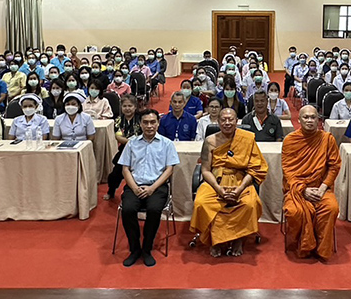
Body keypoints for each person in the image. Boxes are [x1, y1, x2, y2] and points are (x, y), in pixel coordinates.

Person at [191, 108, 268, 258]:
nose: (227, 123)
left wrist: (240, 189)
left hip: (240, 181)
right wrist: (218, 189)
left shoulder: (246, 139)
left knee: (250, 204)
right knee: (201, 203)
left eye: (230, 119)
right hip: (216, 181)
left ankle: (239, 239)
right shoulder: (210, 141)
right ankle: (215, 240)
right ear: (218, 122)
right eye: (223, 120)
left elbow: (254, 169)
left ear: (236, 121)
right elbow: (205, 170)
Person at [117, 109, 180, 267]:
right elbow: (125, 169)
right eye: (145, 122)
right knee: (128, 209)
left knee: (154, 210)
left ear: (158, 123)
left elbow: (169, 170)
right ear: (140, 124)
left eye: (153, 122)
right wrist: (134, 188)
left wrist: (152, 188)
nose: (149, 126)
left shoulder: (167, 144)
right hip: (135, 185)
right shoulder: (132, 143)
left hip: (157, 186)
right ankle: (134, 249)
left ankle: (147, 248)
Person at [281, 105, 341, 261]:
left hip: (321, 187)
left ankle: (322, 248)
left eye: (313, 117)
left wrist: (322, 188)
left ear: (318, 120)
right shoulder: (290, 140)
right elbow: (288, 171)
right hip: (297, 189)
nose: (309, 120)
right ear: (299, 120)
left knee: (331, 208)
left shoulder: (327, 139)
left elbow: (334, 166)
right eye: (306, 117)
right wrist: (303, 190)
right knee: (295, 212)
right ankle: (304, 245)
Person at [106, 94, 140, 200]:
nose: (127, 108)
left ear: (135, 107)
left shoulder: (140, 119)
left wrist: (132, 141)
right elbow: (118, 137)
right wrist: (131, 142)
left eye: (130, 106)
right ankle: (111, 191)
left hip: (140, 150)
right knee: (115, 174)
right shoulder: (118, 120)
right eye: (125, 106)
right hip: (124, 150)